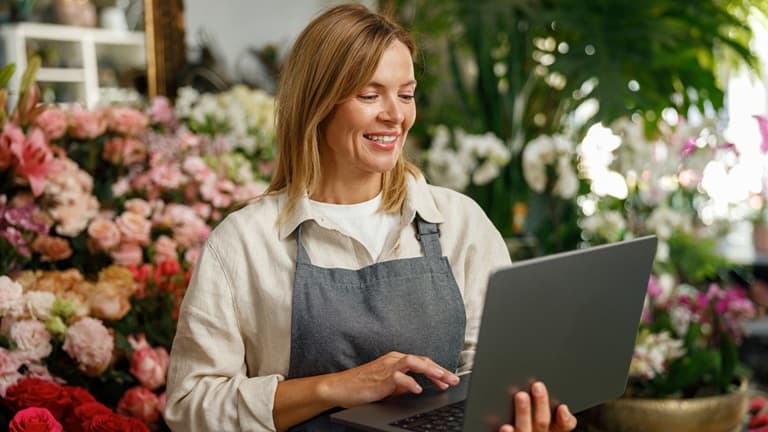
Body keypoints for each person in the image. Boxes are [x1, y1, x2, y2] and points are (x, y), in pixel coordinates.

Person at [163, 4, 579, 432]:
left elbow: (492, 375)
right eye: (369, 94)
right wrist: (335, 387)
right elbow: (190, 406)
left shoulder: (459, 222)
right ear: (317, 103)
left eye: (406, 94)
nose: (395, 115)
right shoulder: (246, 242)